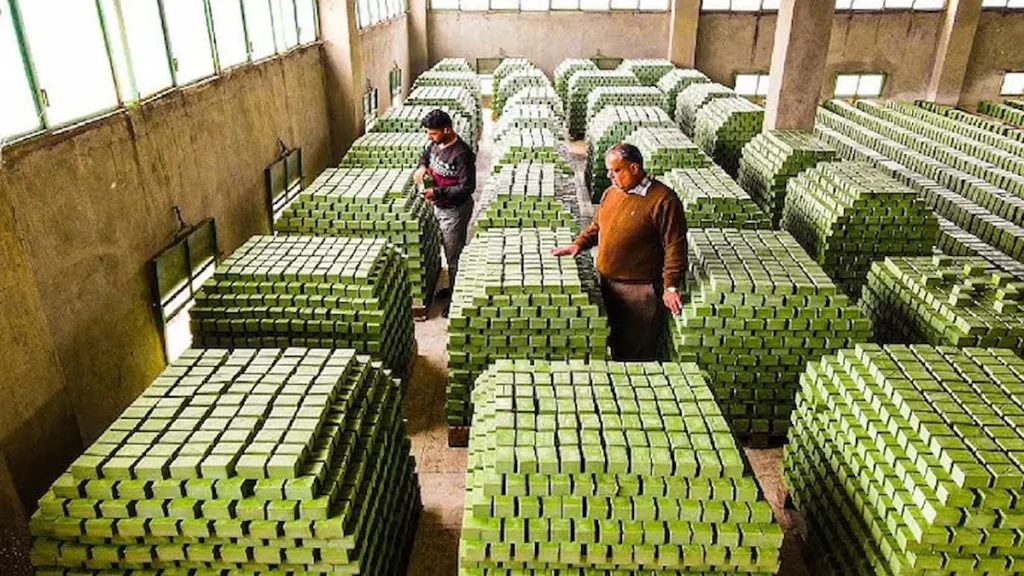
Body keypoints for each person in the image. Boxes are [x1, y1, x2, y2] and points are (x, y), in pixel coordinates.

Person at [552, 143, 687, 361]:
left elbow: (675, 246)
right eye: (608, 171)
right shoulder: (612, 193)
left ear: (634, 168)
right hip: (609, 284)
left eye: (616, 170)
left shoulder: (664, 200)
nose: (610, 176)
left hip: (640, 291)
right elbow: (598, 226)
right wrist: (579, 243)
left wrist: (671, 286)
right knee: (614, 342)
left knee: (635, 351)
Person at [414, 109, 476, 317]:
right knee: (446, 251)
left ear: (447, 129)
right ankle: (452, 287)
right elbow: (425, 155)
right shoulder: (435, 144)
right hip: (439, 206)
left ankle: (457, 299)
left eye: (432, 133)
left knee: (453, 256)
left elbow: (467, 188)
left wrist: (437, 192)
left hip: (454, 211)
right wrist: (423, 167)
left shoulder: (461, 154)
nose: (429, 137)